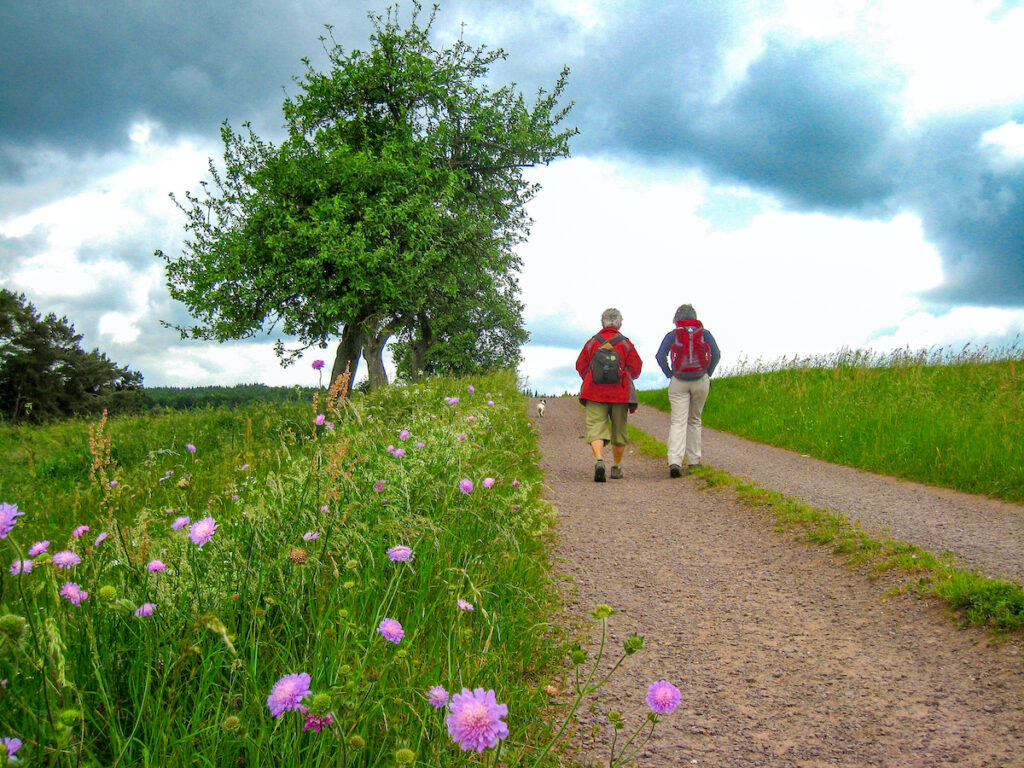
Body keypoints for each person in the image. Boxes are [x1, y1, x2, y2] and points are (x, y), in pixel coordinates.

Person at [576, 308, 643, 482]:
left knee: (596, 428)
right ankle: (616, 466)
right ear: (619, 323)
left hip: (594, 393)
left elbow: (580, 365)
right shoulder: (625, 343)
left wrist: (590, 378)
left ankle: (599, 460)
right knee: (619, 431)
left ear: (602, 323)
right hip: (619, 394)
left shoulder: (592, 342)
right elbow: (636, 369)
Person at [655, 304, 721, 477]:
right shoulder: (704, 334)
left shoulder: (672, 335)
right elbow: (717, 354)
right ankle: (693, 461)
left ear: (677, 318)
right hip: (700, 379)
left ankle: (674, 461)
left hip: (679, 380)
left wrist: (670, 374)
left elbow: (659, 356)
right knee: (695, 420)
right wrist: (708, 373)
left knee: (678, 422)